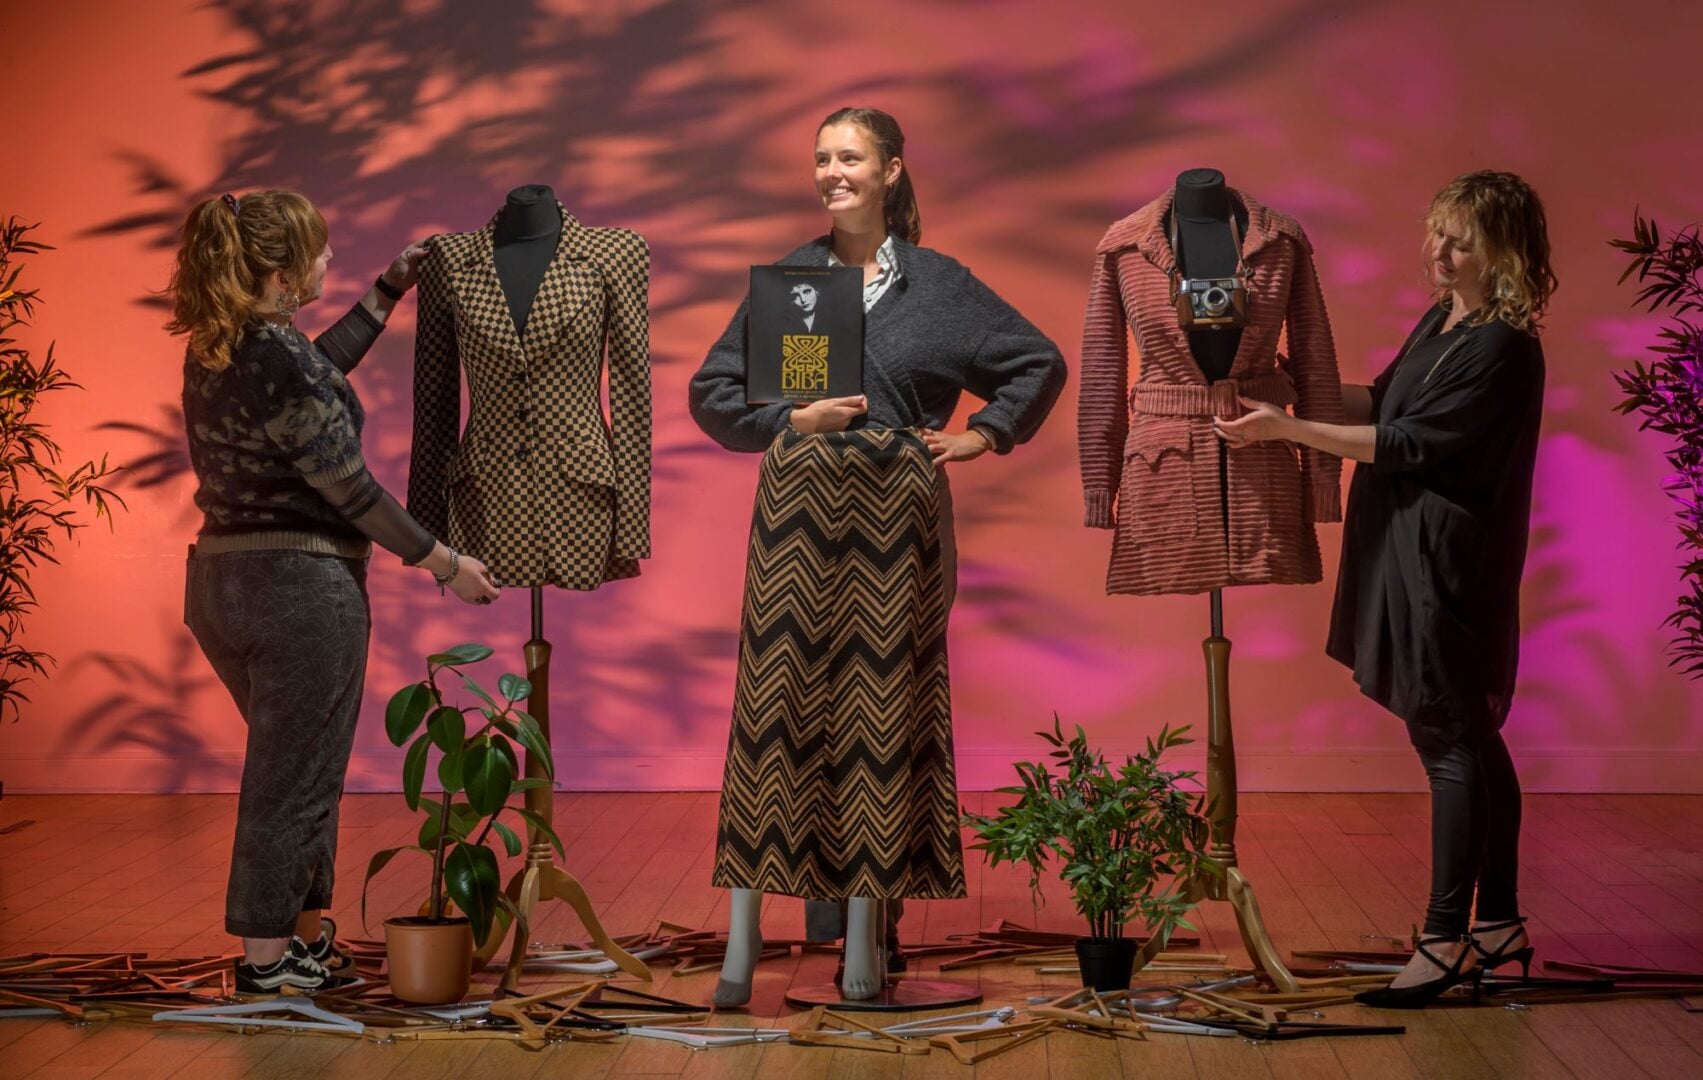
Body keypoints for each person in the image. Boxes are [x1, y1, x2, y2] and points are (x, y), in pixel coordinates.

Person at [689, 107, 1066, 1005]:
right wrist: (788, 419)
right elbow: (711, 392)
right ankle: (757, 946)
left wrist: (986, 435)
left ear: (891, 169)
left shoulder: (939, 285)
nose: (830, 171)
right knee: (776, 714)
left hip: (896, 526)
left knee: (880, 715)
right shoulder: (792, 284)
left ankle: (866, 934)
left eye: (848, 157)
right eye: (819, 158)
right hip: (796, 522)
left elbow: (1035, 362)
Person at [1215, 171, 1554, 1008]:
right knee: (1470, 736)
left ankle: (1443, 940)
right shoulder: (1447, 320)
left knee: (1447, 738)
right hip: (1407, 544)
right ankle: (1498, 923)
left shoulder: (1504, 346)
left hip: (1445, 561)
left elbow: (1403, 442)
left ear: (1505, 251)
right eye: (1435, 231)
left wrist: (1288, 429)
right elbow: (1385, 400)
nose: (1438, 252)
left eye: (1460, 240)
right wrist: (1288, 390)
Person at [168, 189, 500, 994]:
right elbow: (351, 490)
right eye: (318, 253)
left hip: (222, 583)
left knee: (302, 767)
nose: (328, 261)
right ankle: (265, 961)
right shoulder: (279, 358)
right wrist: (445, 562)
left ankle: (304, 941)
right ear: (280, 275)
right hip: (298, 591)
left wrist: (385, 292)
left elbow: (316, 370)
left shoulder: (232, 344)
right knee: (290, 780)